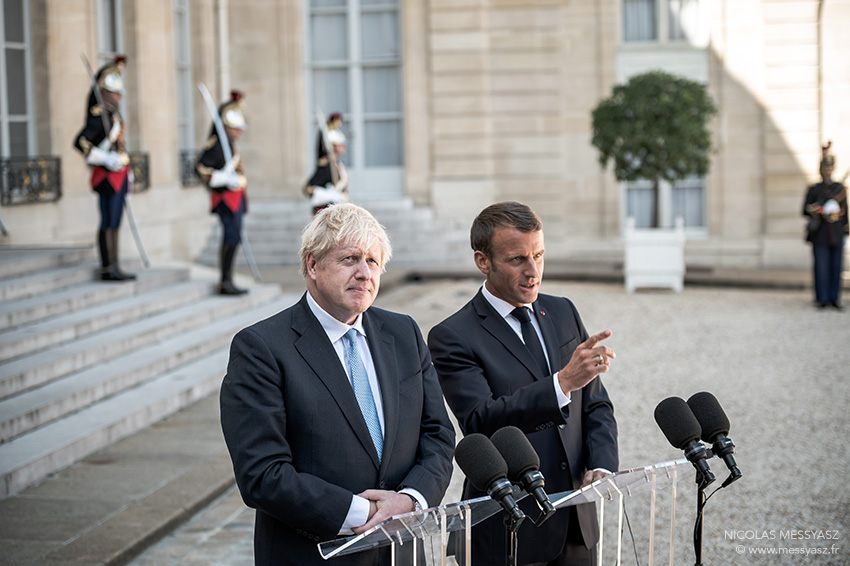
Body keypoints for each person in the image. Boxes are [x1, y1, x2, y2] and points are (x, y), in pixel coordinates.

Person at [220, 202, 455, 565]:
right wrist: (367, 514)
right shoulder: (261, 348)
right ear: (313, 265)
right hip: (314, 554)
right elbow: (262, 474)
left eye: (373, 262)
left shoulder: (403, 332)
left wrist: (410, 500)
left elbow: (437, 433)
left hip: (403, 552)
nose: (365, 273)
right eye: (350, 259)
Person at [428, 201, 619, 566]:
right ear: (483, 261)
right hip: (508, 524)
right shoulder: (452, 335)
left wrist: (603, 464)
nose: (534, 271)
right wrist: (561, 383)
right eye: (518, 259)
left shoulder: (563, 310)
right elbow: (481, 422)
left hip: (577, 518)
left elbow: (595, 404)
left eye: (539, 255)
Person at [73, 55, 136, 282]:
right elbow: (80, 142)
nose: (119, 97)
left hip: (118, 176)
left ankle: (114, 265)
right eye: (115, 93)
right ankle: (107, 267)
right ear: (106, 92)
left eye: (120, 93)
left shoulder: (114, 116)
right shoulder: (99, 116)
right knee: (108, 220)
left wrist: (127, 169)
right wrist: (105, 158)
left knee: (115, 220)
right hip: (106, 176)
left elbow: (120, 145)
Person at [196, 90, 249, 295]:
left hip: (236, 198)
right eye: (235, 128)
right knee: (230, 236)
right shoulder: (216, 146)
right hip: (225, 198)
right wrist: (224, 178)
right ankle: (224, 280)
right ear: (226, 127)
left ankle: (228, 278)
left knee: (235, 237)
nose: (239, 132)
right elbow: (200, 168)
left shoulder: (231, 147)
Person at [803, 142, 848, 309]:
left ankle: (834, 298)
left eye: (829, 168)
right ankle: (822, 298)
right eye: (824, 168)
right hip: (820, 233)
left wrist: (846, 229)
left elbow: (845, 212)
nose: (827, 171)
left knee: (836, 267)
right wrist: (817, 210)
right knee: (821, 268)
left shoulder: (839, 188)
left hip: (836, 232)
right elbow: (805, 210)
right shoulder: (814, 189)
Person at [303, 119, 349, 215]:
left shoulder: (338, 164)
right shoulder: (326, 165)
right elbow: (308, 189)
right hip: (325, 211)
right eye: (340, 145)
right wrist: (329, 195)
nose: (343, 147)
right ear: (333, 146)